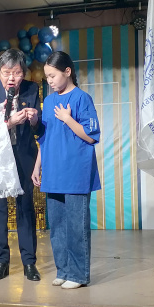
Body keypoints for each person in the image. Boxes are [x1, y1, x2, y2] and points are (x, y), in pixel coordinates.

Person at [32, 51, 100, 289]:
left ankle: (79, 275)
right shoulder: (49, 101)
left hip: (75, 172)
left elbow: (91, 136)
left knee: (76, 226)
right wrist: (38, 165)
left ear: (67, 71)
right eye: (47, 77)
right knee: (57, 226)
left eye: (52, 75)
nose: (49, 81)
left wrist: (68, 119)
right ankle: (63, 270)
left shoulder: (82, 98)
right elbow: (45, 138)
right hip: (54, 171)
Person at [0, 49, 42, 281]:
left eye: (17, 73)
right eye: (6, 73)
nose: (11, 78)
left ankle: (29, 263)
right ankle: (1, 261)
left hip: (23, 157)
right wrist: (9, 123)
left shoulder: (32, 89)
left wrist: (34, 119)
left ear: (24, 73)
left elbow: (39, 128)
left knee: (25, 209)